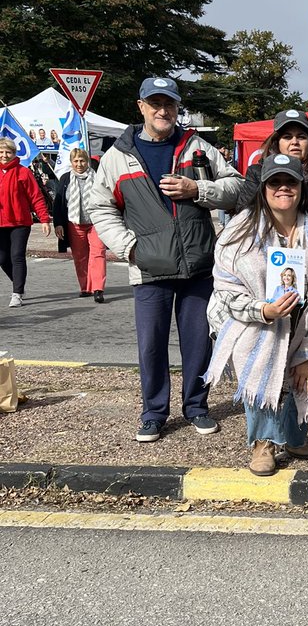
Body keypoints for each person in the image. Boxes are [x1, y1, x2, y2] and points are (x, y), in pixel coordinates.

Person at [89, 75, 244, 442]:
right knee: (152, 345)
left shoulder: (198, 147)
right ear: (141, 107)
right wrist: (129, 248)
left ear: (177, 108)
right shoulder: (118, 157)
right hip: (149, 268)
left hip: (198, 266)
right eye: (155, 104)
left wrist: (199, 188)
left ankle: (196, 407)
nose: (163, 110)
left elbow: (238, 187)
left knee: (198, 342)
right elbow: (100, 207)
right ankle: (154, 413)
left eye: (170, 104)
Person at [206, 154, 308, 476]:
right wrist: (262, 311)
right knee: (261, 370)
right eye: (275, 182)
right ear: (264, 188)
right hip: (251, 324)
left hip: (302, 324)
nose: (283, 188)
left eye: (290, 182)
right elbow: (225, 287)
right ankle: (263, 444)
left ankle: (294, 437)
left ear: (301, 187)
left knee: (300, 379)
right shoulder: (239, 230)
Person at [237, 109, 308, 215]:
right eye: (287, 137)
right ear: (276, 142)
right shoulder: (257, 173)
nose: (294, 142)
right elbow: (245, 215)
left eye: (301, 137)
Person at [0, 137, 52, 307]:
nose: (4, 155)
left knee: (17, 256)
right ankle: (18, 281)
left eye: (8, 152)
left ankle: (17, 293)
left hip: (20, 222)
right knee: (2, 258)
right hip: (1, 223)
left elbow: (35, 197)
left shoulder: (23, 172)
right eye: (1, 152)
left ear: (14, 153)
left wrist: (44, 219)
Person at [53, 148, 108, 303]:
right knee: (80, 257)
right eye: (76, 161)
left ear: (87, 161)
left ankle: (98, 288)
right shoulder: (65, 179)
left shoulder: (98, 177)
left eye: (82, 160)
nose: (79, 164)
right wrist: (58, 224)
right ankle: (85, 287)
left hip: (96, 222)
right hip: (74, 223)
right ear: (71, 163)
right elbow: (59, 203)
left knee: (98, 254)